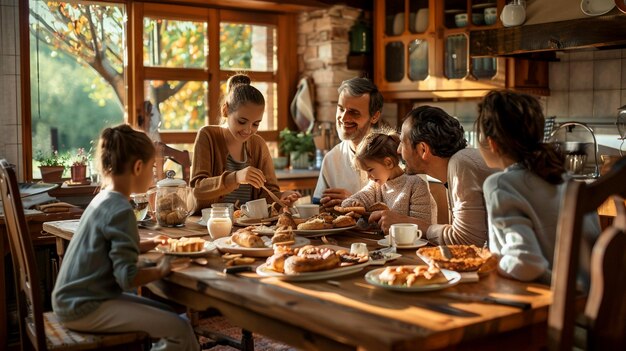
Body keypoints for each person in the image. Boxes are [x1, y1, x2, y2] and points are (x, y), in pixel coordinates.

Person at [52, 124, 198, 351]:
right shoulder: (121, 210)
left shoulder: (103, 199)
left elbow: (107, 247)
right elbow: (127, 278)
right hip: (84, 307)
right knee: (180, 329)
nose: (153, 175)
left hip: (72, 300)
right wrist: (163, 269)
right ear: (138, 167)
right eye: (152, 168)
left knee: (172, 317)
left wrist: (148, 243)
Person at [476, 90, 599, 283]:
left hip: (549, 305)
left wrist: (492, 262)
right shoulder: (566, 179)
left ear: (492, 143)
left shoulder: (500, 185)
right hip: (590, 301)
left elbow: (526, 264)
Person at [382, 106, 496, 245]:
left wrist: (411, 224)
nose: (399, 150)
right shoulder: (458, 164)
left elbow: (467, 240)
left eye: (403, 142)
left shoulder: (461, 164)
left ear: (423, 149)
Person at [190, 74, 299, 211]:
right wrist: (236, 177)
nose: (248, 130)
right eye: (242, 122)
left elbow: (267, 193)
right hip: (209, 225)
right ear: (226, 110)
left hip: (247, 228)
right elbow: (197, 189)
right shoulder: (208, 136)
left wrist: (281, 196)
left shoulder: (258, 144)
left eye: (256, 124)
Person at [341, 130, 436, 228]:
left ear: (388, 163)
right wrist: (355, 205)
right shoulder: (375, 186)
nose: (368, 176)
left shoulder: (416, 185)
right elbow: (349, 203)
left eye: (370, 170)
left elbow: (423, 227)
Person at [313, 77, 383, 208]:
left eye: (354, 112)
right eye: (341, 109)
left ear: (374, 116)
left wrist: (353, 201)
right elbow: (318, 210)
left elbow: (402, 212)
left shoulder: (394, 154)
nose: (344, 118)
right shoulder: (331, 159)